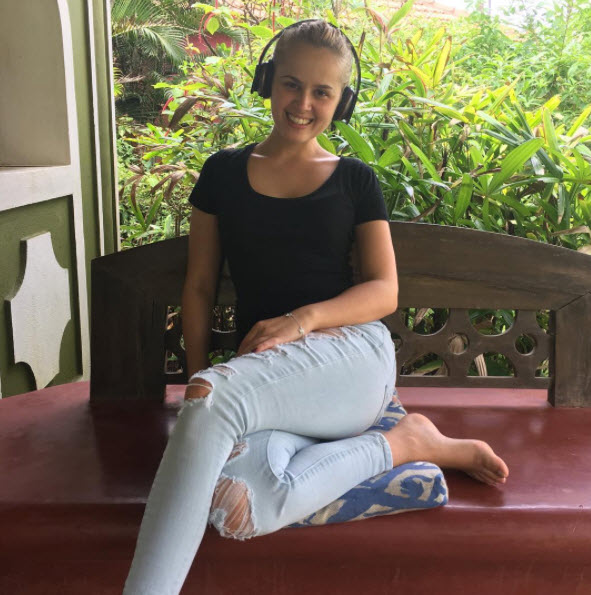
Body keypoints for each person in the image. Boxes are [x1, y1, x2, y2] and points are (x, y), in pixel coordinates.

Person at [123, 19, 509, 594]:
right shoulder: (222, 173)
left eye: (322, 92)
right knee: (237, 505)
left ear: (342, 101)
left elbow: (384, 291)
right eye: (290, 84)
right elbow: (199, 286)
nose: (302, 104)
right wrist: (200, 381)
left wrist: (300, 320)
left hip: (351, 360)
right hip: (268, 383)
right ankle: (404, 444)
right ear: (267, 81)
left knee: (213, 401)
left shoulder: (354, 180)